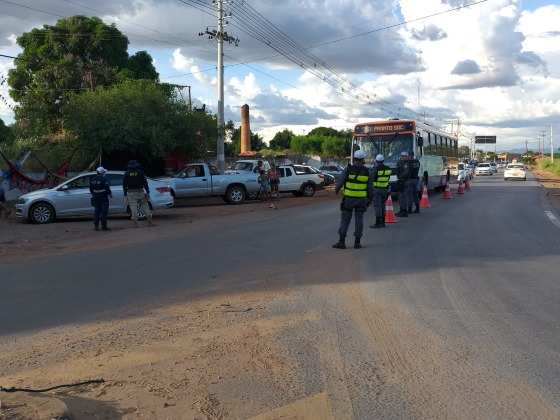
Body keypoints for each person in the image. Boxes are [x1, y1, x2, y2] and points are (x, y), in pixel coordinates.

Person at [333, 150, 373, 250]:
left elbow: (340, 182)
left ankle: (341, 242)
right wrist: (369, 199)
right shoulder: (367, 171)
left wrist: (337, 190)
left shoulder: (348, 169)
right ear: (363, 159)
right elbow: (370, 188)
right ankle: (357, 243)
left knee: (345, 221)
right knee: (359, 221)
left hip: (348, 200)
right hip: (361, 200)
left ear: (354, 158)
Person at [123, 160, 153, 227]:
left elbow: (124, 185)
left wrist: (125, 194)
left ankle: (136, 223)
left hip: (131, 192)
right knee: (145, 206)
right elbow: (145, 183)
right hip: (140, 191)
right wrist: (147, 191)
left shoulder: (127, 173)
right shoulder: (140, 172)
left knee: (133, 207)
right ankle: (150, 221)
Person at [370, 154, 392, 228]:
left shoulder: (375, 169)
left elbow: (371, 178)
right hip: (385, 190)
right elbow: (388, 178)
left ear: (376, 161)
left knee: (377, 206)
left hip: (377, 189)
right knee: (382, 206)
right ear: (383, 161)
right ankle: (382, 222)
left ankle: (378, 222)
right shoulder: (388, 168)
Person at [89, 167, 112, 231]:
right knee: (104, 212)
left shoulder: (92, 179)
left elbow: (91, 189)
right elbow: (107, 188)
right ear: (102, 172)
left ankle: (96, 226)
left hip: (95, 197)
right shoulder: (104, 179)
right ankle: (104, 226)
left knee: (96, 211)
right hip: (103, 197)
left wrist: (94, 194)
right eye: (104, 172)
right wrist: (110, 194)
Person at [396, 151, 411, 217]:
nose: (402, 157)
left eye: (404, 156)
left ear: (406, 157)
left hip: (404, 181)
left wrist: (400, 176)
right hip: (400, 181)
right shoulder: (401, 162)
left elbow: (406, 172)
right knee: (400, 197)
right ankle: (401, 210)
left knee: (403, 197)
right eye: (402, 156)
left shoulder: (406, 163)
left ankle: (404, 211)